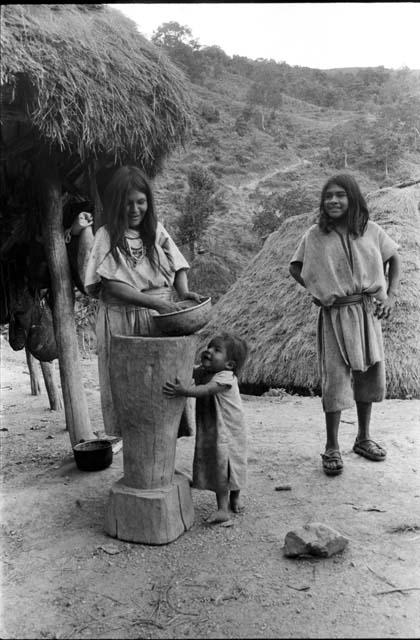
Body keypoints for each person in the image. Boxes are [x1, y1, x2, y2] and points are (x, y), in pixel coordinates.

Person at [70, 165, 201, 436]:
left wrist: (184, 291)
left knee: (160, 386)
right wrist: (155, 304)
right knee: (130, 392)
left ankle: (161, 461)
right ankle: (139, 461)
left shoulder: (157, 231)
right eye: (128, 203)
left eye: (141, 202)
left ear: (148, 203)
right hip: (121, 320)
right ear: (117, 204)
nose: (135, 209)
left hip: (156, 319)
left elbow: (178, 265)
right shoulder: (106, 236)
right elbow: (111, 285)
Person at [289, 174, 401, 476]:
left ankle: (363, 438)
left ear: (353, 198)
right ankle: (331, 446)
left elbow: (394, 259)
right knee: (335, 378)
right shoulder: (315, 235)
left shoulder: (371, 231)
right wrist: (318, 290)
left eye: (340, 195)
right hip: (335, 314)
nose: (334, 201)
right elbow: (295, 267)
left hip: (367, 312)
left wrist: (389, 297)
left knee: (368, 374)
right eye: (328, 196)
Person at [163, 332, 248, 524]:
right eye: (209, 347)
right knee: (225, 465)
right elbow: (189, 372)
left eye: (216, 350)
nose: (208, 351)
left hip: (228, 430)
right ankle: (232, 501)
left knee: (227, 465)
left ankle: (224, 508)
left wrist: (183, 391)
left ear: (229, 365)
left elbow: (207, 390)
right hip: (216, 429)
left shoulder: (225, 377)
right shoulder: (205, 371)